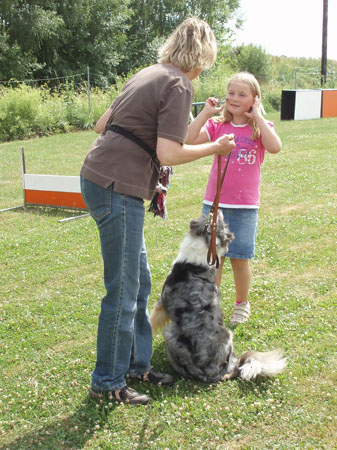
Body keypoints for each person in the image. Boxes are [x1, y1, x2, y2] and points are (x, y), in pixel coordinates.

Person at [80, 17, 236, 405]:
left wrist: (202, 125)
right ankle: (107, 383)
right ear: (201, 58)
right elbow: (170, 152)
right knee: (123, 290)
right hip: (118, 186)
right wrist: (215, 149)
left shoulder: (148, 74)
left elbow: (103, 124)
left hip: (101, 177)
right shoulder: (180, 83)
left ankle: (136, 364)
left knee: (141, 281)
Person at [185, 72, 282, 326]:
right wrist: (205, 113)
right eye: (231, 93)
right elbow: (188, 140)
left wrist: (258, 116)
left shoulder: (258, 127)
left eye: (242, 94)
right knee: (213, 259)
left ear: (254, 99)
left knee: (240, 259)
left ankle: (242, 303)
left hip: (245, 207)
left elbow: (275, 147)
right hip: (215, 204)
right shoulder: (218, 125)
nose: (234, 98)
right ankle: (210, 304)